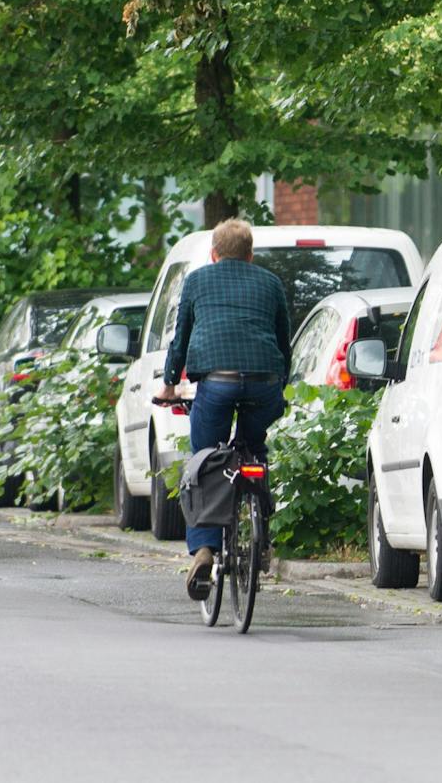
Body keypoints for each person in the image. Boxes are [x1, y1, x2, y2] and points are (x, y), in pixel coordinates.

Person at [153, 218, 292, 601]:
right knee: (253, 445)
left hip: (216, 383)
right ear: (250, 255)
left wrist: (168, 385)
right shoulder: (271, 283)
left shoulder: (197, 281)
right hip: (264, 382)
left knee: (205, 461)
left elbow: (180, 340)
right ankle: (260, 520)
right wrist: (284, 382)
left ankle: (204, 549)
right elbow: (284, 340)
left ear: (214, 254)